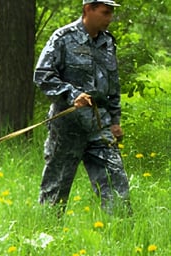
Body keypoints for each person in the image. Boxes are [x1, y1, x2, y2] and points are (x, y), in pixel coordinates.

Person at [33, 0, 132, 216]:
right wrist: (72, 94)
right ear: (88, 9)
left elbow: (112, 85)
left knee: (116, 184)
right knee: (55, 190)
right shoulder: (63, 38)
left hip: (99, 125)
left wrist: (115, 121)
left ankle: (121, 234)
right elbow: (42, 76)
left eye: (111, 13)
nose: (110, 18)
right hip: (67, 126)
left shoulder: (107, 42)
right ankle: (46, 236)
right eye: (105, 12)